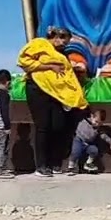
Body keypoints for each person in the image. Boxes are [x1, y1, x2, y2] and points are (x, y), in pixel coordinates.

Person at [16, 26, 89, 177]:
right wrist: (49, 65)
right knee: (43, 127)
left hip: (56, 94)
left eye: (66, 43)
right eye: (63, 41)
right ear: (56, 36)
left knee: (57, 125)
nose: (64, 45)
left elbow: (65, 72)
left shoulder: (62, 54)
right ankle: (41, 166)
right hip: (38, 90)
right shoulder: (39, 44)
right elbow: (24, 62)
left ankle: (54, 162)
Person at [67, 107, 111, 175]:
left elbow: (104, 136)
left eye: (99, 123)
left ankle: (88, 163)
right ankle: (71, 168)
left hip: (88, 144)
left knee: (94, 150)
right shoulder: (84, 120)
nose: (97, 124)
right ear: (92, 116)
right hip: (79, 140)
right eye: (96, 122)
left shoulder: (98, 128)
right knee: (76, 152)